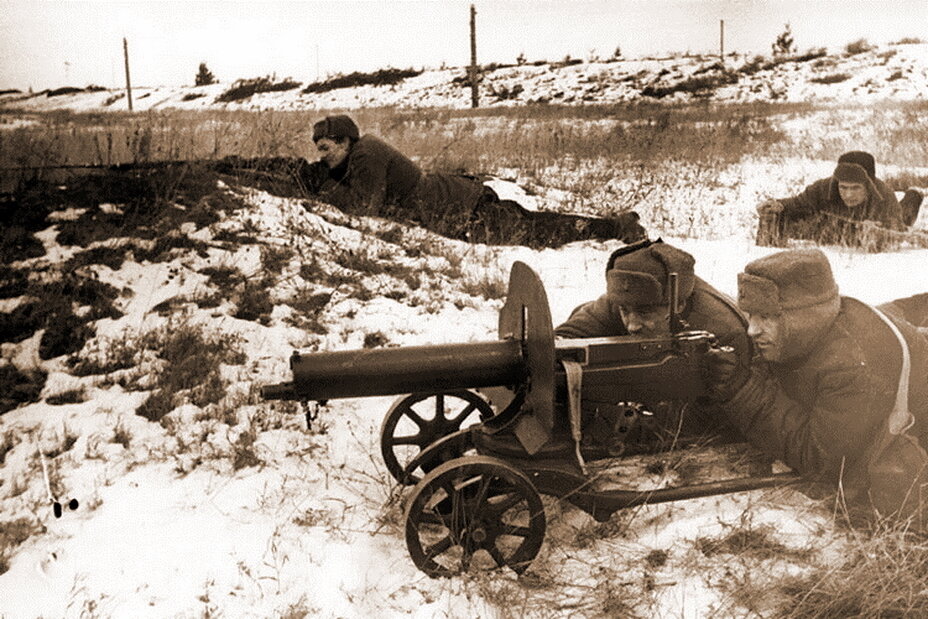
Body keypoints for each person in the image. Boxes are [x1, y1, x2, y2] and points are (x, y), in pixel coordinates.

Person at [706, 248, 928, 521]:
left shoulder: (849, 364)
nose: (752, 330)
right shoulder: (806, 336)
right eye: (751, 315)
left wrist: (744, 392)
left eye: (766, 317)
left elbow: (822, 461)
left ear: (805, 317)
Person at [300, 115, 647, 248]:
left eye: (326, 148)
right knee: (537, 225)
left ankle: (617, 227)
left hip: (465, 209)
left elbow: (364, 206)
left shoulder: (366, 154)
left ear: (345, 141)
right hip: (460, 203)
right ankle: (615, 226)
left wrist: (324, 186)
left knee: (543, 230)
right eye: (318, 150)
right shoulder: (361, 153)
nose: (322, 156)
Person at [555, 238, 753, 448]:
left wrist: (636, 417)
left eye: (644, 313)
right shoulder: (630, 299)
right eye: (624, 311)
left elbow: (713, 425)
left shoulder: (724, 332)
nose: (632, 325)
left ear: (679, 305)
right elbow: (574, 332)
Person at [755, 150, 923, 249]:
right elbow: (795, 204)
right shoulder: (822, 188)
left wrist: (878, 232)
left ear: (869, 185)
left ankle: (914, 195)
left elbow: (898, 232)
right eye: (843, 187)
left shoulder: (884, 195)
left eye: (855, 188)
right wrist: (775, 205)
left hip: (892, 218)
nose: (848, 195)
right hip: (845, 229)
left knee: (906, 216)